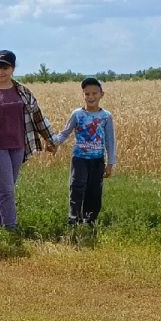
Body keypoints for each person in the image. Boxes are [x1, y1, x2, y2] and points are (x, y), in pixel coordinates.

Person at [0, 48, 54, 232]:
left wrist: (49, 139)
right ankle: (11, 228)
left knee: (2, 187)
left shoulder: (23, 91)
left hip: (18, 146)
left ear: (13, 68)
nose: (0, 72)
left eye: (5, 68)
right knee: (6, 189)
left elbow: (37, 116)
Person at [51, 78, 116, 227]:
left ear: (101, 94)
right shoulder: (77, 114)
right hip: (80, 158)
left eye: (94, 93)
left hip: (97, 160)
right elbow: (64, 133)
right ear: (83, 95)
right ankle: (74, 220)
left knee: (94, 191)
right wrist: (53, 142)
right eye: (87, 94)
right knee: (77, 187)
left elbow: (110, 141)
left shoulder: (106, 116)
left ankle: (90, 221)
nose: (91, 97)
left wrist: (110, 163)